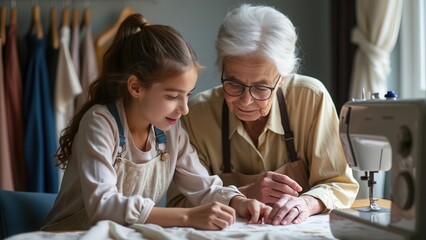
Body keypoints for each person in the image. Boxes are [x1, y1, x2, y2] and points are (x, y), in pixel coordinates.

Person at [41, 13, 271, 231]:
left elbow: (203, 186)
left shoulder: (170, 131)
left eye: (187, 95)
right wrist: (188, 216)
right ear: (135, 87)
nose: (184, 108)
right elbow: (103, 205)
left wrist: (239, 202)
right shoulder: (100, 123)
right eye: (172, 96)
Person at [167, 4, 359, 226]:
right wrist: (245, 194)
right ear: (222, 71)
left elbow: (340, 183)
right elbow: (178, 204)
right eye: (234, 84)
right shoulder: (197, 114)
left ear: (282, 80)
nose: (246, 101)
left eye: (260, 88)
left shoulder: (311, 98)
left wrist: (307, 202)